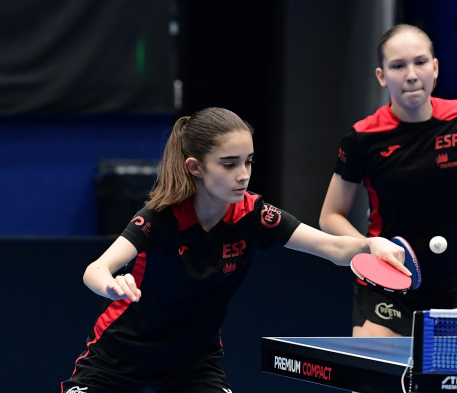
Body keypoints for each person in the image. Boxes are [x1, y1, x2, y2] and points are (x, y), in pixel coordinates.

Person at [61, 107, 410, 393]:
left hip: (191, 363)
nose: (243, 175)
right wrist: (111, 284)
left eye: (248, 161)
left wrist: (370, 244)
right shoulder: (161, 218)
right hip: (120, 357)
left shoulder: (254, 214)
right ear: (195, 167)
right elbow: (95, 269)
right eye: (229, 164)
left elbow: (333, 247)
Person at [319, 24, 457, 338]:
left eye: (420, 62)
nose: (411, 74)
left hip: (451, 284)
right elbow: (330, 216)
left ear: (434, 69)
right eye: (398, 66)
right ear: (382, 76)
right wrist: (368, 246)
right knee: (373, 381)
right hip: (388, 282)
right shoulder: (363, 137)